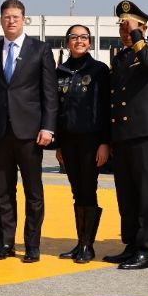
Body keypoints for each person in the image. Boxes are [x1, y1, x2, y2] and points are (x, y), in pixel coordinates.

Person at [0, 0, 57, 263]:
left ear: (24, 19)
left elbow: (50, 93)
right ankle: (4, 242)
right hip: (0, 132)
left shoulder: (40, 50)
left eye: (15, 17)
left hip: (30, 132)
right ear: (0, 20)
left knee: (33, 192)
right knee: (3, 191)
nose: (10, 21)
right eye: (6, 17)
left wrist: (48, 127)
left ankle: (32, 244)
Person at [103, 0, 148, 270]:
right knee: (126, 193)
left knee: (145, 193)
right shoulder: (121, 57)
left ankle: (147, 249)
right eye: (121, 26)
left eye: (129, 25)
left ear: (143, 27)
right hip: (123, 134)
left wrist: (137, 36)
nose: (124, 30)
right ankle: (131, 244)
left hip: (145, 133)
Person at [53, 24, 111, 264]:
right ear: (67, 42)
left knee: (89, 189)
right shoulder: (60, 71)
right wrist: (57, 145)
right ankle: (80, 243)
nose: (79, 40)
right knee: (77, 191)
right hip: (68, 140)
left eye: (84, 37)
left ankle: (89, 245)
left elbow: (107, 108)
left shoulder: (99, 70)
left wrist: (105, 142)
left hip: (91, 140)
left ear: (89, 42)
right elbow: (57, 109)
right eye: (74, 37)